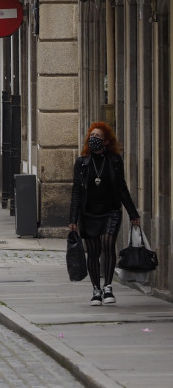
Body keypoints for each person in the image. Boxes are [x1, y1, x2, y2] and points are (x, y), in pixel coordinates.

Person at [69, 121, 140, 306]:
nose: (93, 139)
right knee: (93, 252)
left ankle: (108, 286)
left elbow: (122, 188)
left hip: (110, 211)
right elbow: (76, 191)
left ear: (106, 141)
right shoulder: (82, 162)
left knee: (108, 244)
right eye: (91, 136)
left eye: (98, 137)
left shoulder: (115, 160)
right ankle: (96, 290)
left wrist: (133, 214)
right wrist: (73, 219)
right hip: (89, 213)